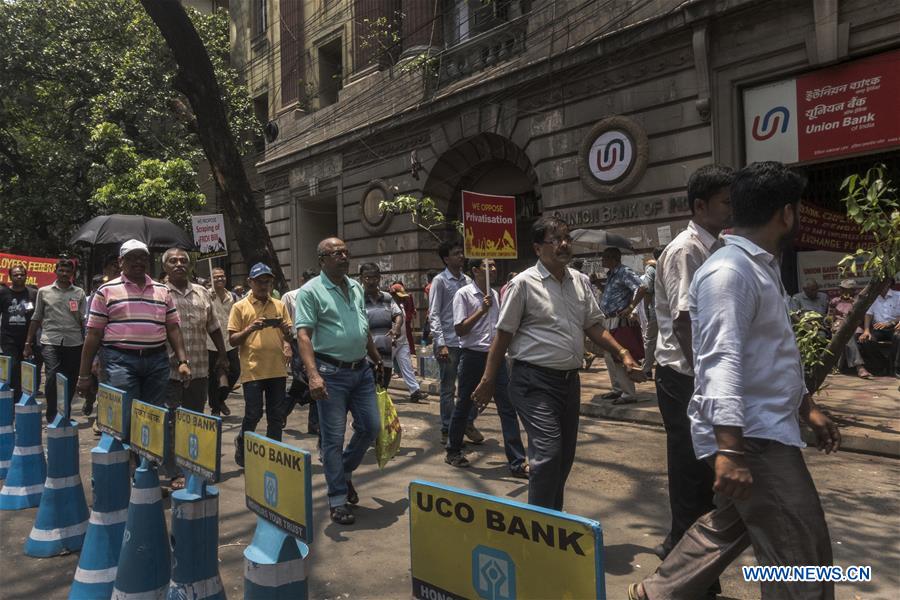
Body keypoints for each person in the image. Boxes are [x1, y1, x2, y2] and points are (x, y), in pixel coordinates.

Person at [629, 161, 841, 600]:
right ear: (786, 213)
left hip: (763, 428)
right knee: (801, 554)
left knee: (730, 526)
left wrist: (807, 408)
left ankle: (655, 593)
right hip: (752, 437)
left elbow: (770, 355)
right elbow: (719, 362)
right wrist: (729, 449)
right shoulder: (730, 272)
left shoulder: (758, 266)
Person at [472, 216, 643, 510]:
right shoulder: (522, 285)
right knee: (548, 454)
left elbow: (593, 326)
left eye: (567, 238)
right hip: (532, 382)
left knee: (563, 457)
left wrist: (622, 352)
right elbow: (502, 336)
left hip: (568, 383)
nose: (564, 244)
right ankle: (538, 528)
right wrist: (488, 381)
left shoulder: (580, 282)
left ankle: (553, 521)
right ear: (538, 249)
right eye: (556, 239)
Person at [651, 164, 733, 580]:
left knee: (700, 470)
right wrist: (707, 378)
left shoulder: (716, 246)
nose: (731, 209)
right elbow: (684, 321)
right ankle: (686, 572)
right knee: (690, 470)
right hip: (684, 375)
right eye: (724, 202)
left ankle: (678, 546)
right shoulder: (687, 249)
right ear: (700, 206)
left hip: (695, 373)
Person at [295, 237, 384, 525]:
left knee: (371, 427)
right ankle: (337, 498)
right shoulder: (311, 291)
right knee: (333, 439)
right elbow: (304, 335)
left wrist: (376, 357)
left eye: (346, 252)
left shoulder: (356, 286)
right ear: (322, 260)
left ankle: (342, 471)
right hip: (330, 374)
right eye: (336, 254)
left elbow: (363, 327)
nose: (344, 257)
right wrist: (313, 376)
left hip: (362, 371)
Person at [76, 240, 191, 412]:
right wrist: (84, 375)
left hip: (157, 361)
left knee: (152, 415)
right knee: (124, 413)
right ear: (121, 261)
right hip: (119, 361)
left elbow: (173, 328)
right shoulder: (105, 291)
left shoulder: (162, 290)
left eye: (142, 257)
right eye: (132, 257)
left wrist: (183, 361)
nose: (138, 261)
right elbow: (93, 335)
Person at [445, 259, 527, 478]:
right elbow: (460, 329)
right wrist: (482, 310)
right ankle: (453, 449)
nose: (491, 269)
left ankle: (517, 460)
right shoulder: (464, 294)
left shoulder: (496, 294)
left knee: (507, 407)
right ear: (474, 270)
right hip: (472, 356)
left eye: (493, 266)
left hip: (495, 356)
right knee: (464, 402)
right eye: (486, 266)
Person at [162, 249, 229, 488]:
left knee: (194, 419)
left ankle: (194, 465)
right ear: (166, 267)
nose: (179, 264)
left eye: (183, 261)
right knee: (170, 422)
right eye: (174, 261)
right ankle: (174, 471)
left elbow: (214, 327)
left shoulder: (202, 292)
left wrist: (222, 354)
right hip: (168, 371)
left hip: (200, 368)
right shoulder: (159, 293)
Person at [228, 263, 293, 467]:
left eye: (267, 281)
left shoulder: (279, 305)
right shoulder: (239, 307)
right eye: (259, 281)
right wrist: (249, 329)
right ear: (250, 282)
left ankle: (274, 455)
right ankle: (243, 442)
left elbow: (290, 335)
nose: (264, 285)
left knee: (276, 415)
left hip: (277, 369)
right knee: (253, 413)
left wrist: (285, 332)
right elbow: (232, 340)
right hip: (253, 370)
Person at [429, 239, 482, 445]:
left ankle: (468, 422)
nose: (461, 256)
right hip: (448, 342)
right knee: (448, 387)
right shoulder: (440, 281)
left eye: (462, 252)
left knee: (471, 386)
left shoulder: (469, 281)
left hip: (467, 342)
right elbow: (434, 314)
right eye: (456, 253)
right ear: (446, 258)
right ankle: (447, 427)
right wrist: (440, 342)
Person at [23, 259, 85, 422]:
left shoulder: (79, 293)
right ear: (56, 271)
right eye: (61, 271)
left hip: (74, 341)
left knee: (71, 378)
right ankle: (52, 415)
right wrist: (28, 342)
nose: (64, 274)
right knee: (51, 375)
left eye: (68, 271)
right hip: (50, 340)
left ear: (73, 274)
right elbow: (36, 317)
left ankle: (65, 414)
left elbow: (84, 320)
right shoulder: (44, 291)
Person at [598, 247, 648, 404]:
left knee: (619, 356)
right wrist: (597, 284)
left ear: (613, 258)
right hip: (609, 319)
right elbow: (611, 293)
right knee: (609, 357)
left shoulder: (623, 272)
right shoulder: (612, 274)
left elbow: (642, 287)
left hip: (619, 320)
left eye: (605, 257)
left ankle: (628, 393)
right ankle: (618, 388)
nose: (602, 260)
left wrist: (631, 307)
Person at [282, 268, 320, 434]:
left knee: (318, 381)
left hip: (318, 344)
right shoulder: (291, 296)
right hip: (298, 343)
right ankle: (281, 412)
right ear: (302, 280)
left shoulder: (321, 296)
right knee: (300, 382)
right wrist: (287, 344)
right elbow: (284, 322)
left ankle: (314, 423)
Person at [360, 263, 403, 389]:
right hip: (365, 357)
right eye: (367, 278)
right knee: (368, 395)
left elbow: (398, 314)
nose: (371, 281)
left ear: (379, 278)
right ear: (361, 279)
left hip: (385, 356)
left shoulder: (387, 298)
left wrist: (397, 327)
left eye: (375, 278)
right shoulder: (357, 298)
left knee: (382, 393)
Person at [0, 265, 37, 401]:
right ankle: (15, 400)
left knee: (28, 370)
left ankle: (27, 398)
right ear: (10, 277)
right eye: (16, 275)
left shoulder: (32, 294)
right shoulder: (3, 293)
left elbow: (37, 316)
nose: (19, 277)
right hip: (8, 339)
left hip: (28, 338)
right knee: (14, 368)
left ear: (26, 276)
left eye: (22, 274)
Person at [207, 267, 240, 416]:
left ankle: (221, 400)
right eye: (216, 277)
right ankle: (215, 408)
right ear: (211, 279)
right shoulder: (206, 295)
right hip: (210, 343)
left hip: (229, 342)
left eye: (222, 276)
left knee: (235, 371)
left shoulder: (233, 296)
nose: (220, 279)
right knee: (213, 378)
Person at [389, 282, 428, 403]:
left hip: (402, 342)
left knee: (407, 367)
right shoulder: (387, 307)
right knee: (384, 368)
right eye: (399, 296)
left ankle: (415, 391)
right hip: (391, 343)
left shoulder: (400, 306)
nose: (402, 299)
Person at [827, 279, 872, 379]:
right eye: (842, 289)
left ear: (853, 290)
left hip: (854, 329)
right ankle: (859, 367)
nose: (843, 292)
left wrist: (854, 304)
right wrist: (833, 323)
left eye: (847, 290)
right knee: (843, 334)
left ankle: (857, 366)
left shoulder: (858, 301)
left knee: (847, 334)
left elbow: (862, 318)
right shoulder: (835, 301)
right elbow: (829, 317)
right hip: (838, 328)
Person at [859, 277, 899, 376]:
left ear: (889, 283)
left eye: (882, 283)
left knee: (898, 337)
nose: (880, 285)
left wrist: (891, 323)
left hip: (894, 327)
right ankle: (883, 365)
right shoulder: (873, 297)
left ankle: (896, 367)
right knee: (866, 339)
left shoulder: (898, 296)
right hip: (878, 328)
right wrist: (866, 330)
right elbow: (868, 314)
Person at [639, 247, 664, 379]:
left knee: (650, 340)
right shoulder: (671, 265)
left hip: (656, 309)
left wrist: (646, 308)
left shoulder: (651, 269)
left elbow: (647, 290)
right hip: (671, 310)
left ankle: (647, 369)